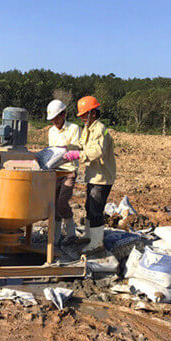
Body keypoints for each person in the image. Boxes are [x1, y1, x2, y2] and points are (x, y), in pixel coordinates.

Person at [62, 96, 116, 254]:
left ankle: (96, 243)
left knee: (95, 210)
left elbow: (96, 151)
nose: (83, 118)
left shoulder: (99, 129)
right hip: (93, 176)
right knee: (89, 206)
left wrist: (78, 155)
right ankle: (88, 235)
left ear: (93, 113)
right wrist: (67, 146)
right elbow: (82, 144)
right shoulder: (88, 128)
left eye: (85, 114)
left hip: (102, 177)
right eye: (82, 115)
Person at [46, 99, 81, 246]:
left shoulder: (73, 129)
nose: (54, 121)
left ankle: (71, 233)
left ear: (64, 115)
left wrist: (64, 151)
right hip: (55, 171)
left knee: (62, 202)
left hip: (68, 171)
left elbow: (77, 148)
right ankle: (55, 237)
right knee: (53, 204)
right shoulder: (51, 131)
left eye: (56, 118)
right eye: (52, 119)